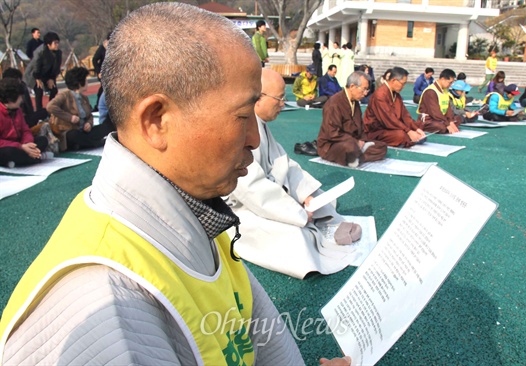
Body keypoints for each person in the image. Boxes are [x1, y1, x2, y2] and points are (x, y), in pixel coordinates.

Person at [0, 4, 350, 365]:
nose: (254, 139)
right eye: (243, 116)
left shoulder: (196, 216)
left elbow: (260, 341)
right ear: (157, 121)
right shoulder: (107, 308)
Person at [228, 69, 362, 279]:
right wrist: (297, 212)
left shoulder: (258, 123)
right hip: (243, 208)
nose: (283, 104)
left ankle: (328, 224)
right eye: (279, 98)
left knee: (316, 196)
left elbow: (285, 164)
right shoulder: (239, 129)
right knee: (294, 235)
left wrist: (305, 196)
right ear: (259, 98)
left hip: (273, 194)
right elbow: (252, 188)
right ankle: (318, 235)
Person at [317, 71, 387, 167]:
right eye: (364, 89)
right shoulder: (334, 103)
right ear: (352, 86)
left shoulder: (355, 102)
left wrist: (362, 140)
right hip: (333, 144)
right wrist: (355, 142)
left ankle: (356, 157)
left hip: (355, 142)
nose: (365, 93)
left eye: (367, 90)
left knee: (382, 147)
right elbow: (332, 133)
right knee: (349, 147)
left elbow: (360, 127)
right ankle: (355, 155)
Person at [47, 67, 114, 151]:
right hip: (69, 131)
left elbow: (90, 116)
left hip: (83, 131)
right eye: (85, 80)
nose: (87, 82)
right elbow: (50, 107)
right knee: (73, 135)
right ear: (79, 83)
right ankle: (97, 143)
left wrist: (89, 123)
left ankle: (84, 144)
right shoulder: (64, 96)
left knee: (104, 127)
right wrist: (70, 117)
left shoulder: (84, 98)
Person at [364, 66, 425, 147]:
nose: (403, 87)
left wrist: (416, 129)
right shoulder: (380, 95)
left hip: (391, 127)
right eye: (402, 84)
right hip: (376, 130)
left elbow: (404, 115)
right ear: (393, 80)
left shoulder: (395, 94)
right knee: (401, 135)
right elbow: (388, 119)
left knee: (417, 127)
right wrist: (408, 131)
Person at [0, 78, 48, 168]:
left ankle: (23, 159)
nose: (22, 100)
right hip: (9, 147)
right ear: (10, 99)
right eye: (20, 97)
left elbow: (26, 130)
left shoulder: (17, 110)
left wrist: (27, 143)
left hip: (21, 144)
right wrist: (21, 147)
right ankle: (34, 158)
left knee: (42, 140)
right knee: (9, 152)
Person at [23, 31, 62, 110]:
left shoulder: (58, 53)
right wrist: (37, 78)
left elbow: (57, 68)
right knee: (38, 91)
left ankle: (51, 108)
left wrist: (51, 78)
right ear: (48, 44)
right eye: (55, 43)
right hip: (34, 74)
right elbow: (36, 66)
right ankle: (39, 111)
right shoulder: (40, 52)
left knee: (54, 90)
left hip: (47, 74)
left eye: (58, 43)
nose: (57, 45)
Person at [417, 68, 461, 134]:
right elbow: (435, 112)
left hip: (441, 119)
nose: (450, 85)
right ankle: (444, 127)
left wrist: (451, 121)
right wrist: (447, 124)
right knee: (441, 127)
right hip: (429, 119)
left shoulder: (445, 90)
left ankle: (446, 126)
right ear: (442, 79)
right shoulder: (431, 91)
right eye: (450, 82)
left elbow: (448, 108)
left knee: (458, 119)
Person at [92, 32, 111, 111]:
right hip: (102, 72)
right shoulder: (102, 48)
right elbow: (95, 59)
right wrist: (98, 71)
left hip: (111, 71)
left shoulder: (116, 48)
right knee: (103, 88)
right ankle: (98, 106)